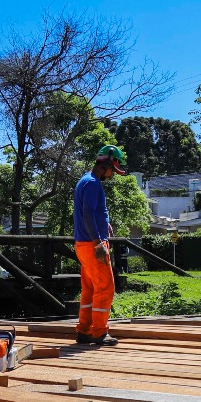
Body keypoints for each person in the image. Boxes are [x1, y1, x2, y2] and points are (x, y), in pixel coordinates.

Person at [72, 145, 128, 346]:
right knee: (105, 288)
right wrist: (98, 243)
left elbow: (89, 212)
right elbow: (87, 213)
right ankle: (100, 333)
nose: (113, 174)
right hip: (92, 244)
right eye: (113, 169)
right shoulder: (94, 184)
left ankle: (84, 331)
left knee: (89, 290)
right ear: (106, 165)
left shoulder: (84, 181)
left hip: (82, 244)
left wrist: (105, 225)